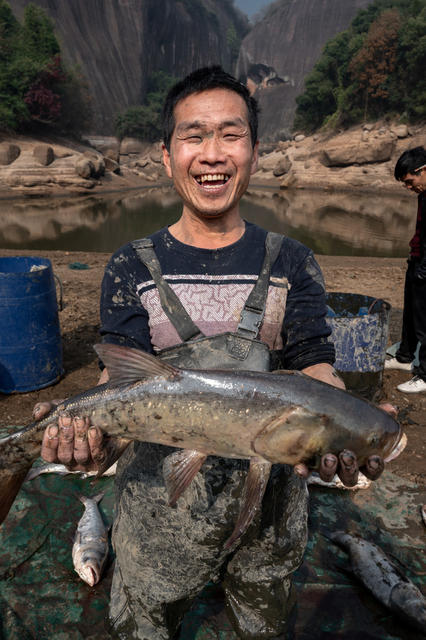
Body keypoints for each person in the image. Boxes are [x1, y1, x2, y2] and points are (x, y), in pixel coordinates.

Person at [35, 67, 388, 639]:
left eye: (231, 134)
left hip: (268, 505)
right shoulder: (131, 264)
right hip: (159, 509)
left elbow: (314, 362)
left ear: (254, 149)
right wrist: (88, 443)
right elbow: (118, 376)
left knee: (261, 619)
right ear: (168, 155)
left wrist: (344, 419)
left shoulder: (293, 260)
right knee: (149, 617)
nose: (212, 153)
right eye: (194, 135)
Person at [384, 146, 426, 393]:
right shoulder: (423, 193)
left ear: (422, 170)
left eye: (410, 181)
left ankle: (424, 375)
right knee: (411, 313)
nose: (409, 188)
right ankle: (405, 357)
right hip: (418, 258)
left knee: (424, 321)